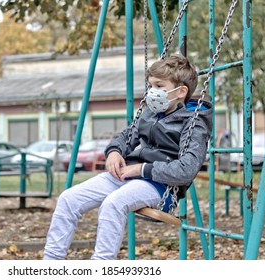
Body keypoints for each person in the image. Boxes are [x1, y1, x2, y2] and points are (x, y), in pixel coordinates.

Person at [43, 55, 213, 260]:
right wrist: (114, 152)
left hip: (160, 185)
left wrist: (141, 169)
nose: (152, 91)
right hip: (128, 175)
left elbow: (186, 170)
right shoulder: (150, 112)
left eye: (159, 86)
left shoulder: (195, 123)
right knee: (68, 199)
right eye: (150, 85)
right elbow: (126, 137)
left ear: (181, 91)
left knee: (112, 204)